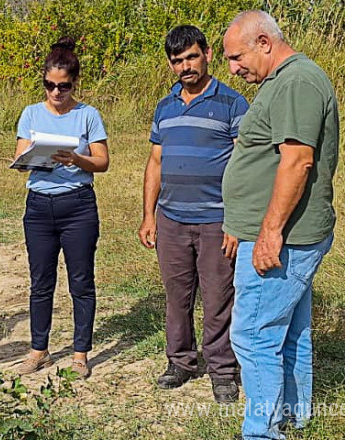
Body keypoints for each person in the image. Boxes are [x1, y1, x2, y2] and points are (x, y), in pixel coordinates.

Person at [222, 10, 339, 439]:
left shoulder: (296, 82)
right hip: (281, 233)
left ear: (264, 43)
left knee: (254, 336)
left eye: (237, 57)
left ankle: (262, 432)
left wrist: (269, 232)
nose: (233, 69)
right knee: (288, 330)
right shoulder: (283, 80)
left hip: (283, 237)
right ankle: (294, 415)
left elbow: (297, 161)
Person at [139, 25, 248, 403]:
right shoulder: (165, 106)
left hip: (217, 219)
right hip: (171, 219)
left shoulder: (234, 103)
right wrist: (149, 216)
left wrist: (236, 221)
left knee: (219, 297)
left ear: (207, 55)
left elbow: (246, 166)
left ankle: (221, 370)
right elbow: (155, 163)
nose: (185, 66)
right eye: (177, 61)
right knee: (177, 296)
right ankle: (181, 362)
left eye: (191, 57)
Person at [12, 36, 110, 379]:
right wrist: (28, 160)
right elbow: (20, 157)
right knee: (41, 282)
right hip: (39, 206)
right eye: (49, 85)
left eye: (64, 86)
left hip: (78, 206)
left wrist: (76, 159)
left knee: (81, 280)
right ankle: (39, 349)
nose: (56, 93)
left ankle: (80, 352)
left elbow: (102, 162)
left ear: (74, 83)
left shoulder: (88, 115)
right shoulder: (30, 113)